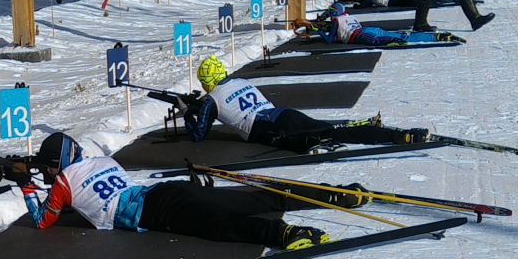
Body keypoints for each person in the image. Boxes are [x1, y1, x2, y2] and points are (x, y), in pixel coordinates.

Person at [20, 131, 358, 251]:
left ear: (57, 163)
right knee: (249, 199)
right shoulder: (104, 161)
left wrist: (25, 187)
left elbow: (42, 221)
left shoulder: (62, 183)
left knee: (219, 225)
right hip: (167, 191)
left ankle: (284, 234)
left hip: (156, 211)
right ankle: (333, 193)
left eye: (49, 167)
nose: (48, 173)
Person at [184, 55, 429, 151]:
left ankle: (395, 136)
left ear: (206, 82)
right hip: (280, 114)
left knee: (321, 136)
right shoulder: (240, 81)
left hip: (266, 128)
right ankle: (401, 135)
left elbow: (198, 135)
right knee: (331, 129)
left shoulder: (210, 100)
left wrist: (187, 113)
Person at [293, 3, 462, 48]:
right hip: (365, 29)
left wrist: (318, 31)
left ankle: (435, 37)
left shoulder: (336, 21)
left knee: (387, 40)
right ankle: (436, 36)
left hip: (360, 35)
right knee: (402, 36)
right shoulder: (348, 17)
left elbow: (329, 40)